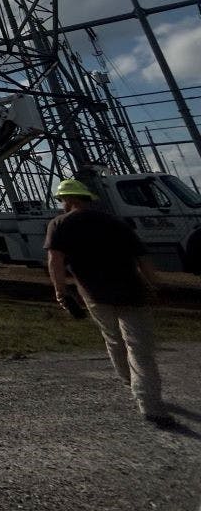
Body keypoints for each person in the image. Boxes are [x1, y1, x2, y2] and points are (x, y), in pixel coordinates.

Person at [44, 177, 173, 427]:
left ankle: (129, 381)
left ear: (68, 200)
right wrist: (157, 285)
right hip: (132, 292)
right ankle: (151, 404)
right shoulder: (114, 222)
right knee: (140, 348)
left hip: (94, 294)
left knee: (113, 339)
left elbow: (55, 261)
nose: (61, 204)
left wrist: (61, 291)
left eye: (61, 200)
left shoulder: (59, 224)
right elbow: (142, 258)